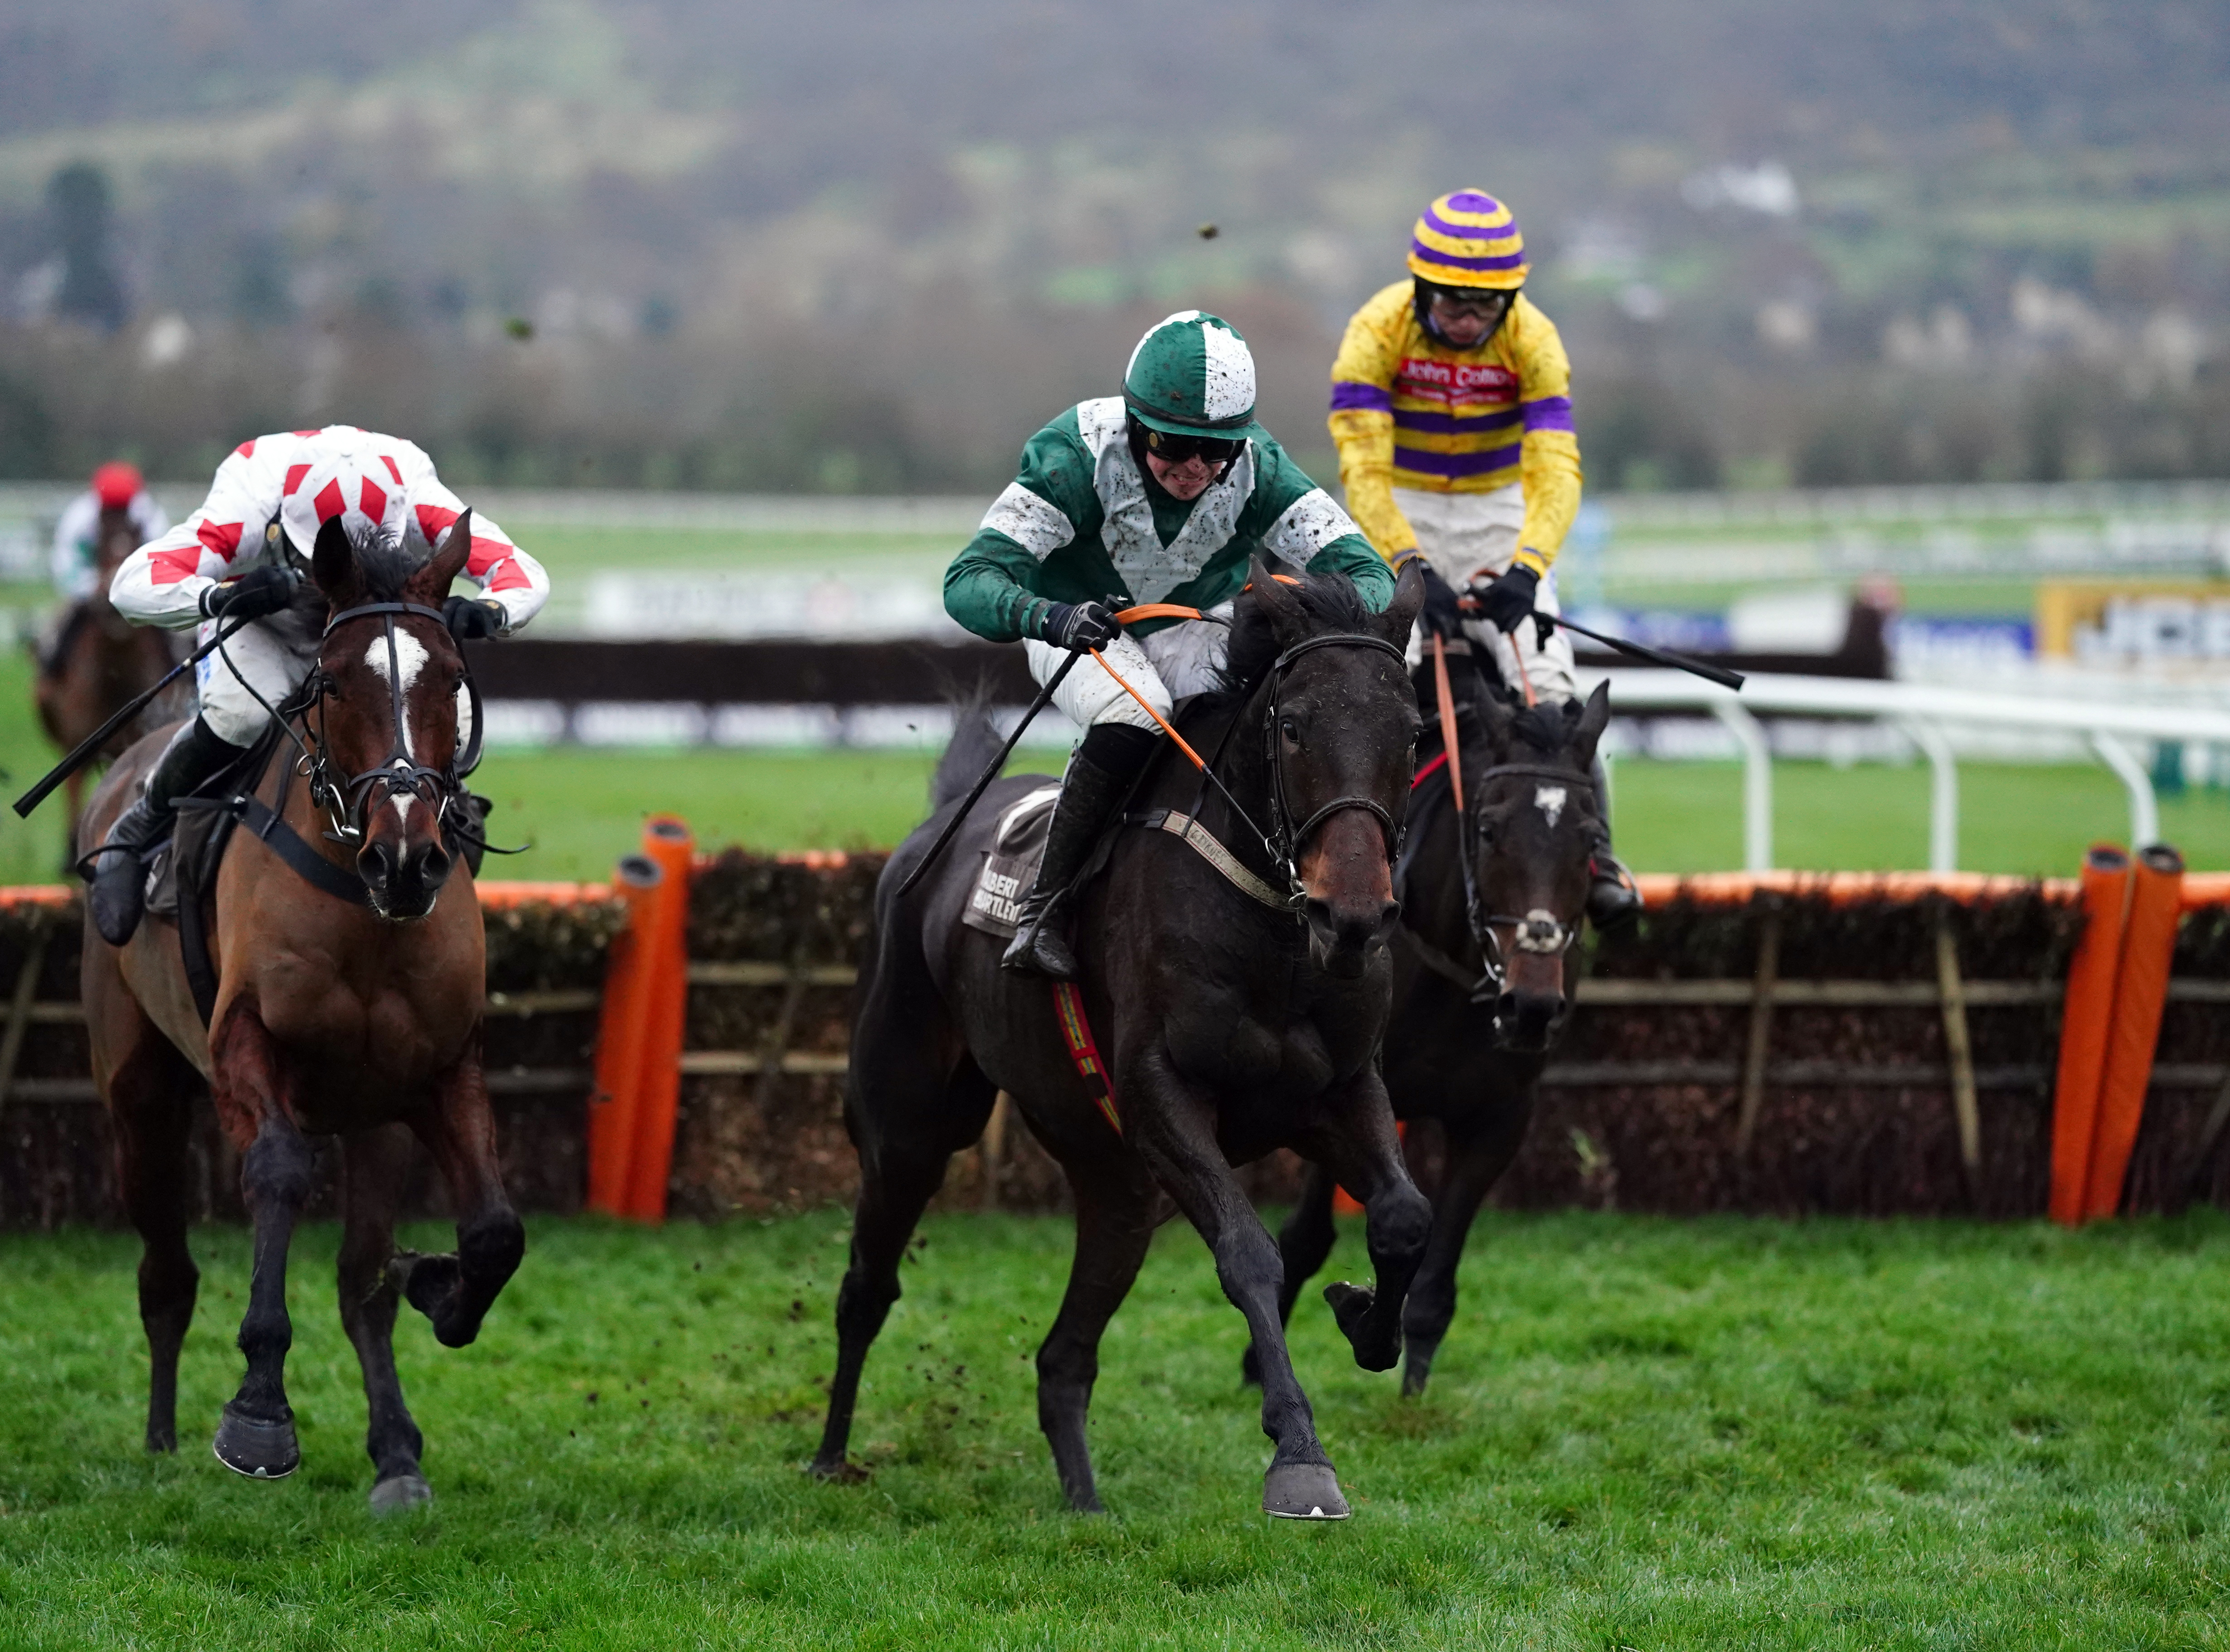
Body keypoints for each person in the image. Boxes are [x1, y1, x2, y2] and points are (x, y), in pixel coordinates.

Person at [945, 309, 1396, 979]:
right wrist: (1051, 616)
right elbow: (968, 582)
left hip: (1195, 628)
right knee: (1139, 710)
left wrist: (1301, 610)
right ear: (1133, 423)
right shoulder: (1072, 456)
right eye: (1171, 445)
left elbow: (1373, 578)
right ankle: (1044, 906)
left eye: (1216, 453)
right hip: (1079, 629)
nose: (1193, 469)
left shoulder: (1262, 468)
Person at [86, 425, 550, 945]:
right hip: (269, 623)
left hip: (370, 626)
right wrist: (220, 597)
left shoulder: (412, 489)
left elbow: (522, 572)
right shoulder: (252, 493)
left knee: (455, 717)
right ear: (283, 524)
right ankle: (140, 826)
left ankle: (447, 808)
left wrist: (489, 611)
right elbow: (133, 585)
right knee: (240, 716)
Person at [1328, 190, 1640, 928]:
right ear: (1423, 286)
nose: (1468, 316)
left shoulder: (1535, 340)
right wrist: (1409, 564)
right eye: (1454, 301)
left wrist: (1528, 569)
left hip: (1499, 512)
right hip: (1396, 505)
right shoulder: (1376, 329)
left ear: (1511, 300)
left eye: (1486, 303)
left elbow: (1557, 469)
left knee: (1559, 705)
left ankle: (1598, 861)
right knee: (1369, 689)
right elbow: (1363, 470)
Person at [50, 460, 168, 602]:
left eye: (122, 510)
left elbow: (163, 559)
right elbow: (66, 562)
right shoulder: (80, 518)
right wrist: (91, 587)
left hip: (140, 587)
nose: (116, 516)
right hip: (91, 583)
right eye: (111, 511)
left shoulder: (149, 515)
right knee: (64, 622)